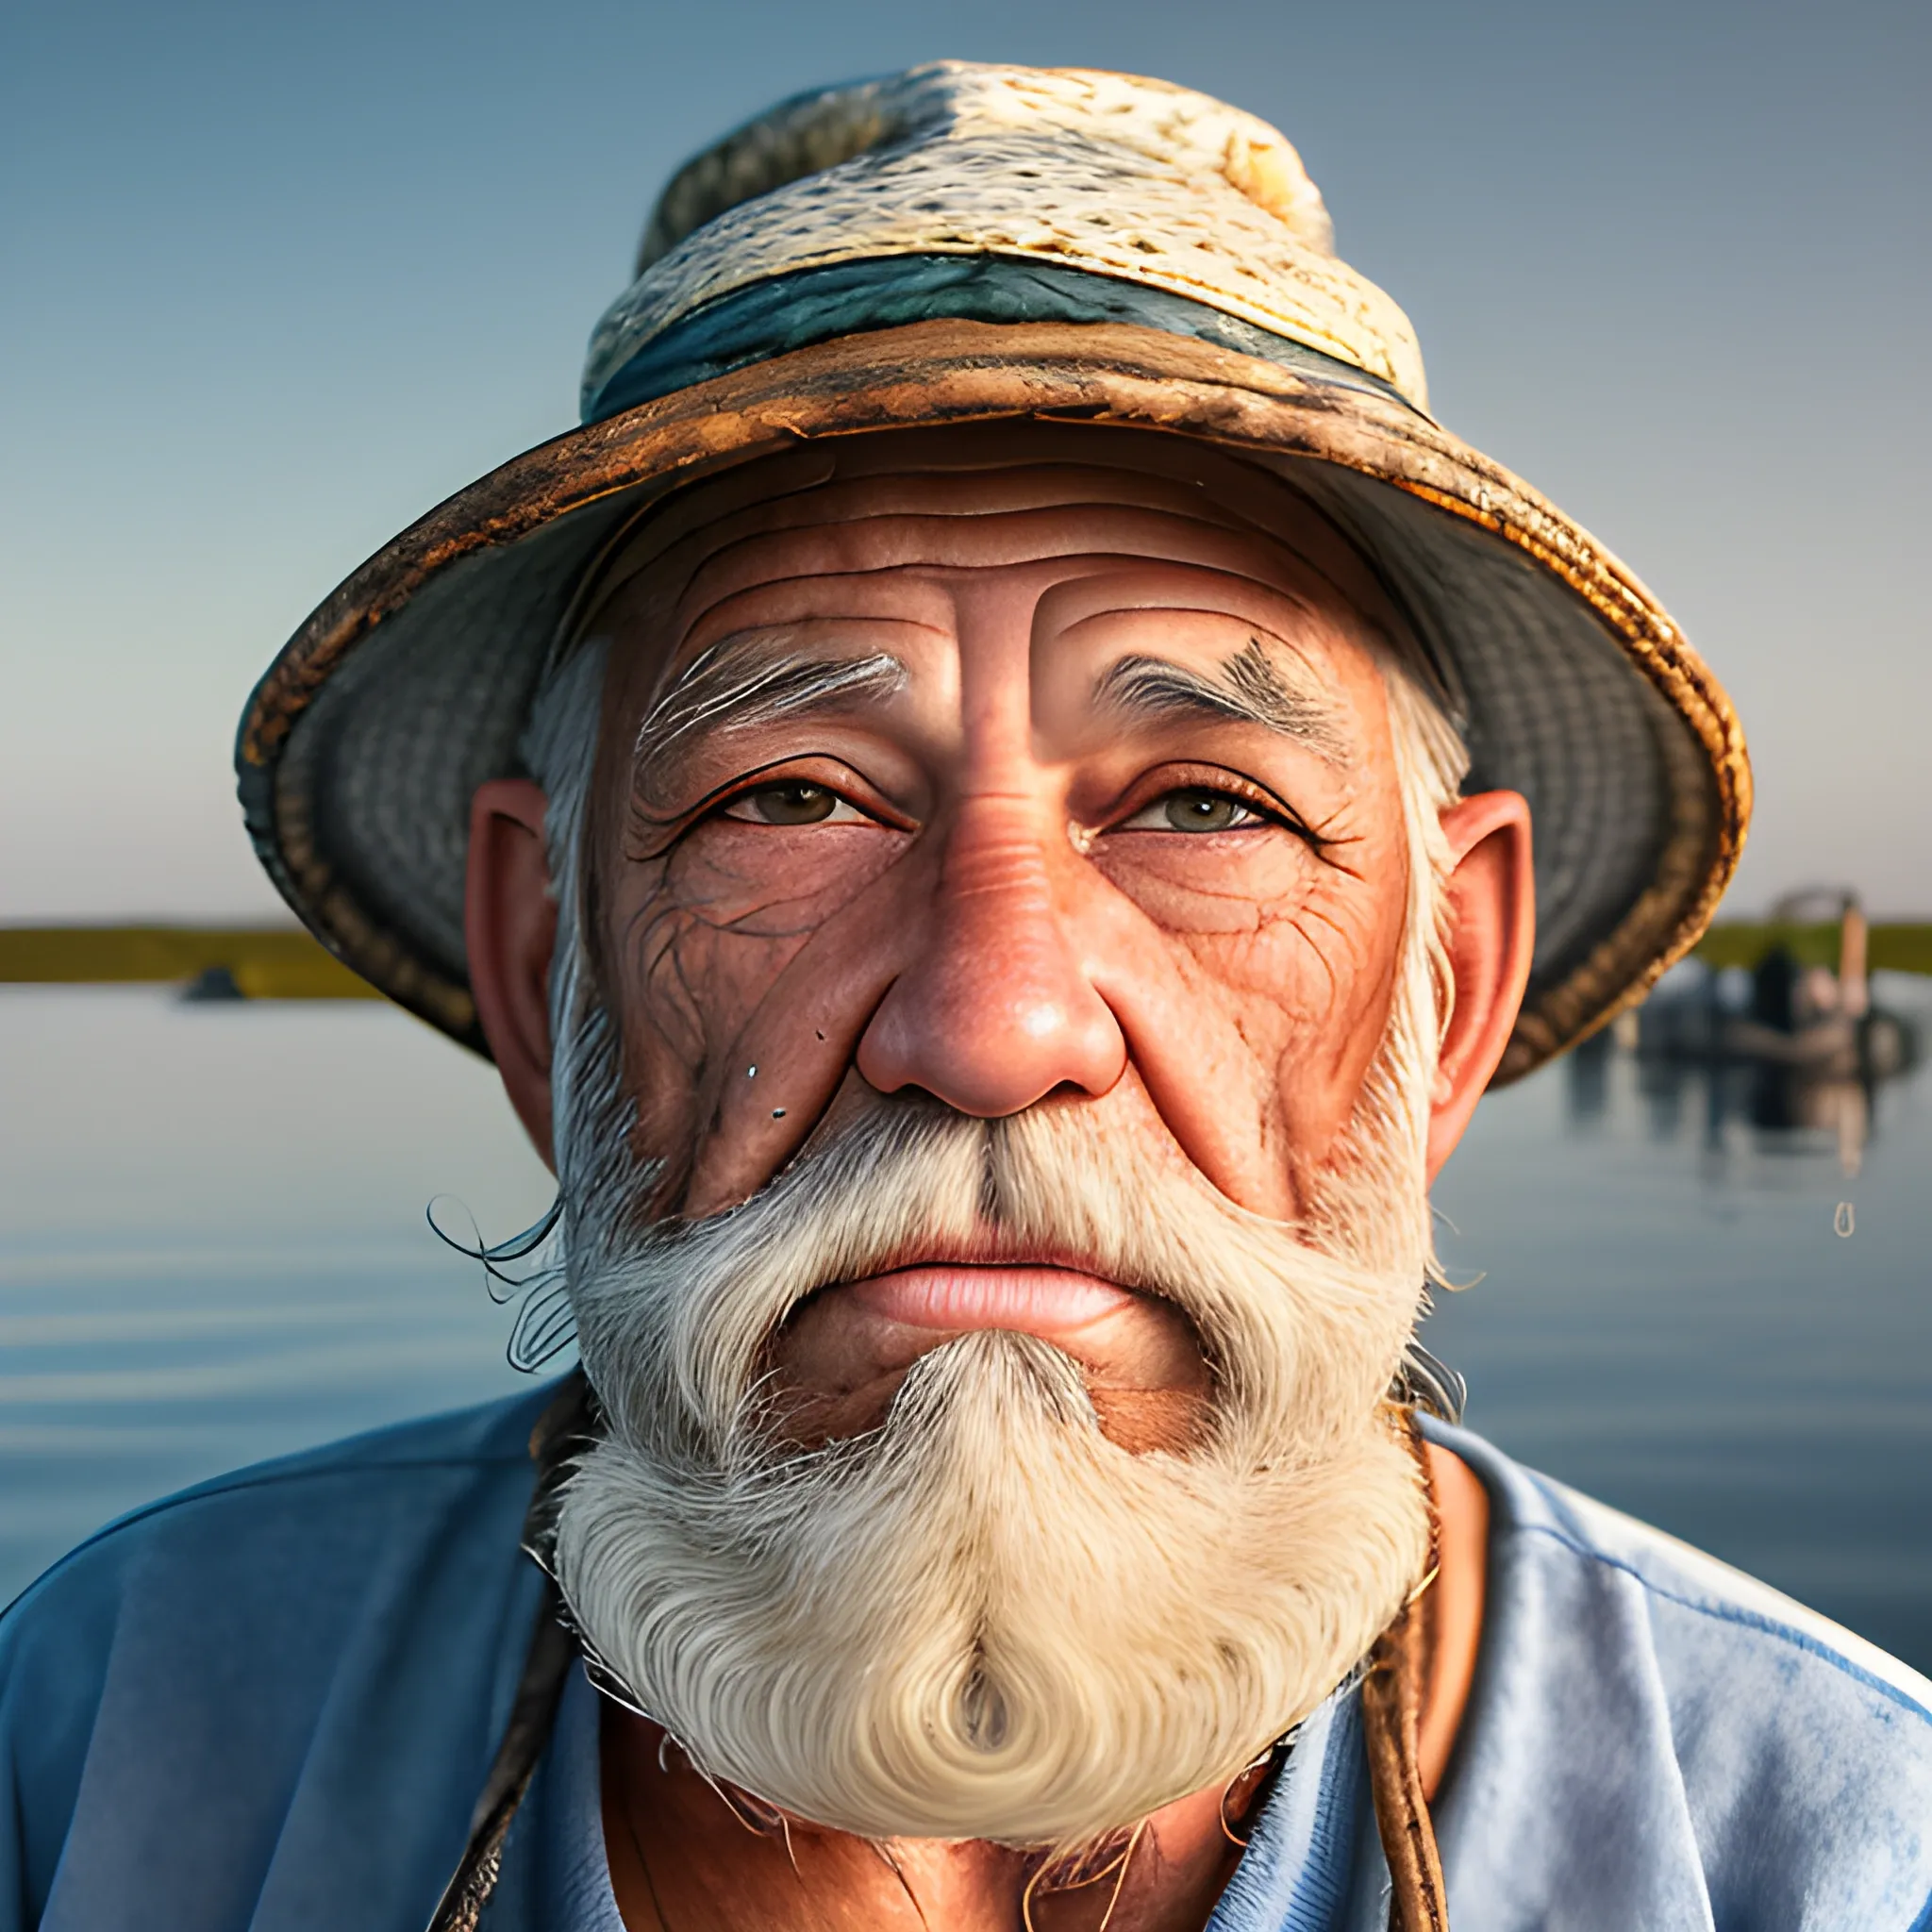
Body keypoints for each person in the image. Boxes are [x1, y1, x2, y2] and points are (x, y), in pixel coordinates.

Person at [3, 62, 1927, 1932]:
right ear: (541, 962)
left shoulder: (1846, 1854)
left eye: (1206, 804)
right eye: (790, 799)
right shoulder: (92, 1738)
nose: (994, 1026)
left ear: (1452, 974)